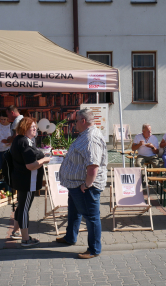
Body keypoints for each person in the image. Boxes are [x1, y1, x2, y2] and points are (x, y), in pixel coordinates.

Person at [57, 109, 108, 259]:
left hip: (86, 187)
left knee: (91, 217)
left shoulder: (91, 138)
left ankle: (94, 249)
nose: (74, 124)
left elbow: (93, 166)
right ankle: (70, 237)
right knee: (74, 213)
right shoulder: (85, 135)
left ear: (83, 121)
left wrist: (86, 185)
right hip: (76, 184)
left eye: (76, 121)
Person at [10, 117, 50, 247]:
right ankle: (26, 239)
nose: (35, 129)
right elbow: (30, 165)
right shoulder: (24, 143)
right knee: (24, 208)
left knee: (21, 206)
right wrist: (44, 160)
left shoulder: (21, 140)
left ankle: (16, 232)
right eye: (32, 127)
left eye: (35, 126)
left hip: (22, 179)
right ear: (24, 128)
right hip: (27, 181)